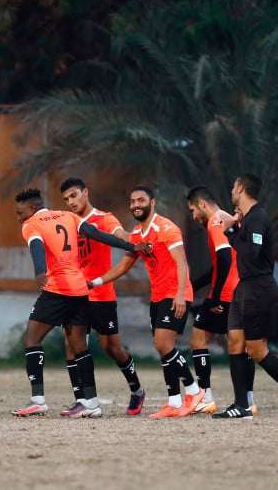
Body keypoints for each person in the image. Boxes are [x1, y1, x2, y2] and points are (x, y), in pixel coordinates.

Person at [12, 188, 151, 418]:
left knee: (32, 338)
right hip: (80, 289)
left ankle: (37, 400)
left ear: (33, 208)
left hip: (58, 288)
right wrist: (131, 246)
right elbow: (96, 234)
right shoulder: (68, 216)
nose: (19, 218)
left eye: (20, 212)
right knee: (79, 347)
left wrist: (40, 273)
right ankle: (91, 403)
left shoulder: (31, 224)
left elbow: (36, 247)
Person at [90, 186, 203, 419]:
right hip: (158, 297)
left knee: (164, 345)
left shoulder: (166, 228)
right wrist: (95, 282)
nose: (135, 205)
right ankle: (174, 401)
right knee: (163, 349)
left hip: (175, 294)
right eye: (132, 201)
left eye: (141, 200)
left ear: (152, 202)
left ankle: (194, 391)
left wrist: (180, 294)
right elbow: (123, 267)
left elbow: (182, 263)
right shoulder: (136, 234)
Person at [213, 174, 278, 419]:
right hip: (244, 287)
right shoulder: (247, 218)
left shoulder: (258, 217)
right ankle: (241, 406)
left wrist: (229, 231)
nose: (231, 190)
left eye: (233, 186)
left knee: (257, 349)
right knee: (235, 341)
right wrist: (236, 226)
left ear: (240, 188)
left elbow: (253, 254)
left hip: (259, 289)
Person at [59, 178, 146, 417]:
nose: (71, 202)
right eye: (66, 199)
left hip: (101, 294)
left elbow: (121, 234)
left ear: (86, 193)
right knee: (72, 346)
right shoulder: (67, 223)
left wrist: (136, 241)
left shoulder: (104, 218)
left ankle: (137, 390)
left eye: (74, 195)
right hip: (75, 294)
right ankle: (82, 401)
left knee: (112, 347)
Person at [185, 186, 256, 415]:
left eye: (193, 210)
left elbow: (225, 258)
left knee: (198, 338)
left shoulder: (215, 221)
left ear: (202, 204)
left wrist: (214, 296)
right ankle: (249, 400)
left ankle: (205, 396)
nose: (194, 216)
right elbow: (221, 264)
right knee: (240, 345)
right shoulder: (228, 217)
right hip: (240, 291)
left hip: (225, 295)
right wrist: (192, 286)